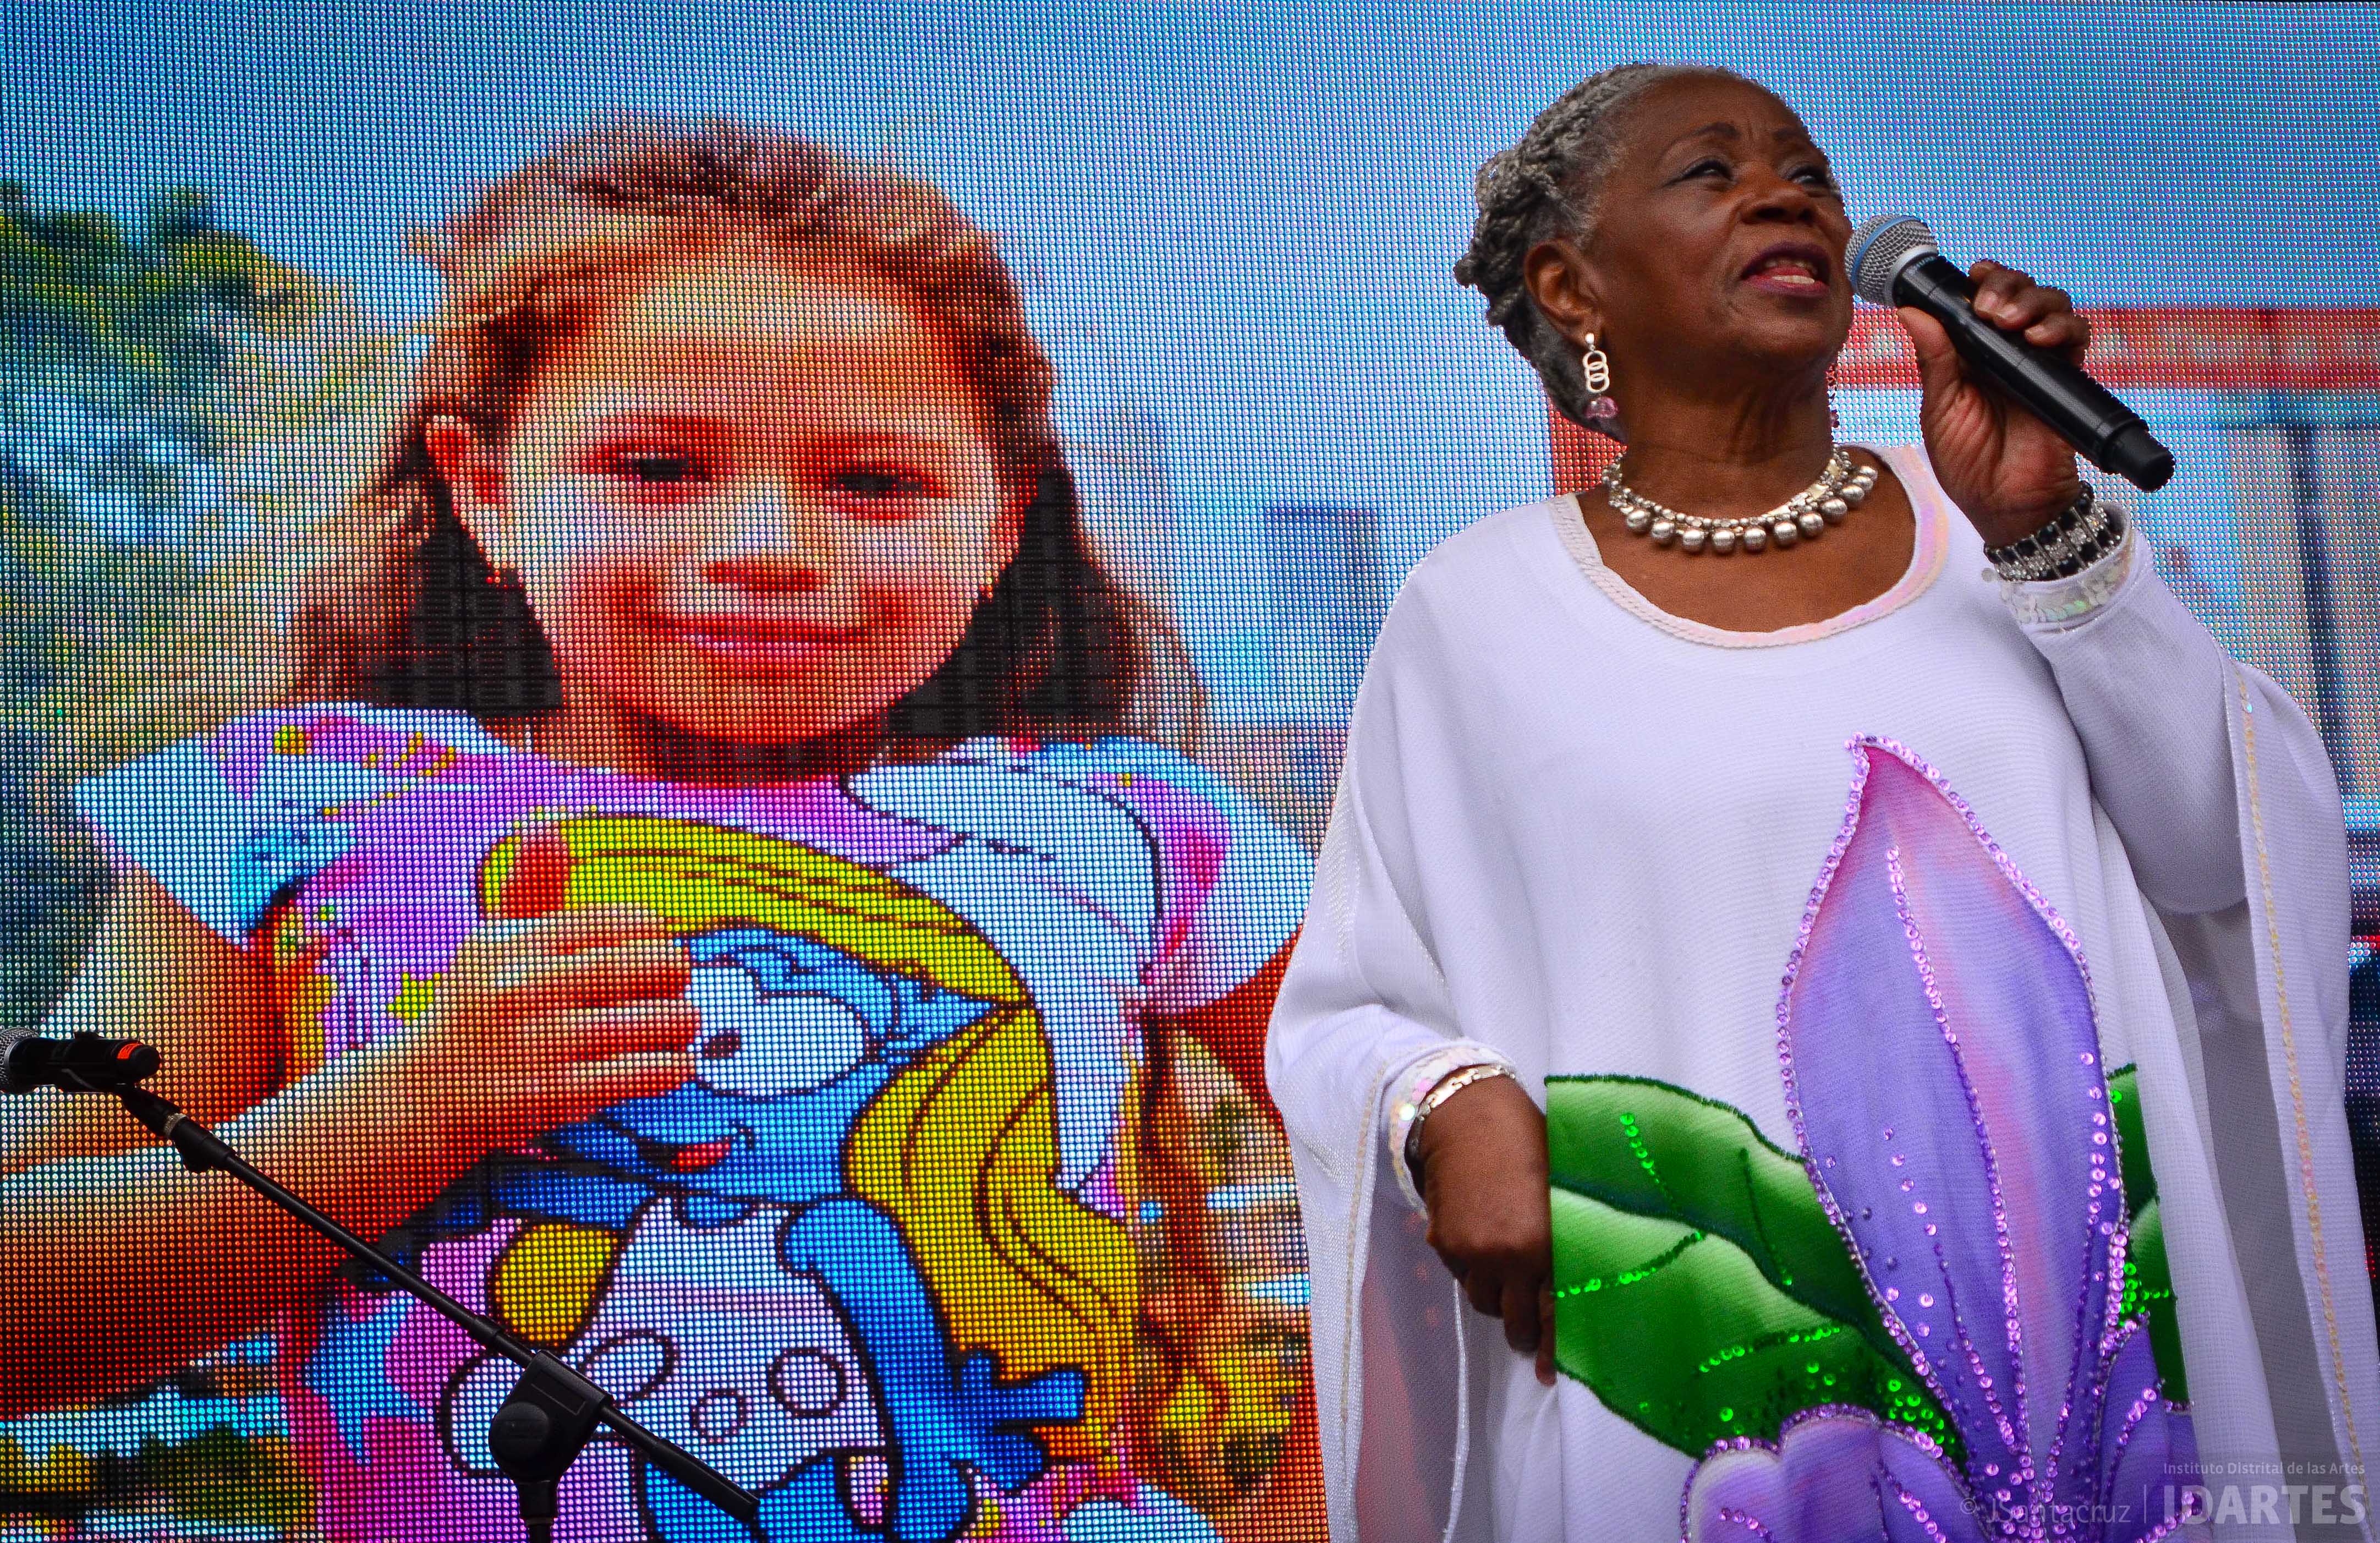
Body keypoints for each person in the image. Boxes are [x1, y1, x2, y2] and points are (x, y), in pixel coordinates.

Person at [0, 121, 1313, 1543]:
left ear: (1002, 520)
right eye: (658, 466)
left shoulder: (1136, 824)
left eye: (873, 482)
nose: (766, 544)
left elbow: (1445, 1166)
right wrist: (410, 1108)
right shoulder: (281, 806)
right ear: (485, 485)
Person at [1265, 63, 2380, 1543]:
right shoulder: (1475, 617)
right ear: (1570, 280)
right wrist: (1444, 1100)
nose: (1788, 192)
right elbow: (1347, 1009)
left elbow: (2221, 863)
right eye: (1711, 174)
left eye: (1804, 168)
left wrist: (2052, 531)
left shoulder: (2009, 527)